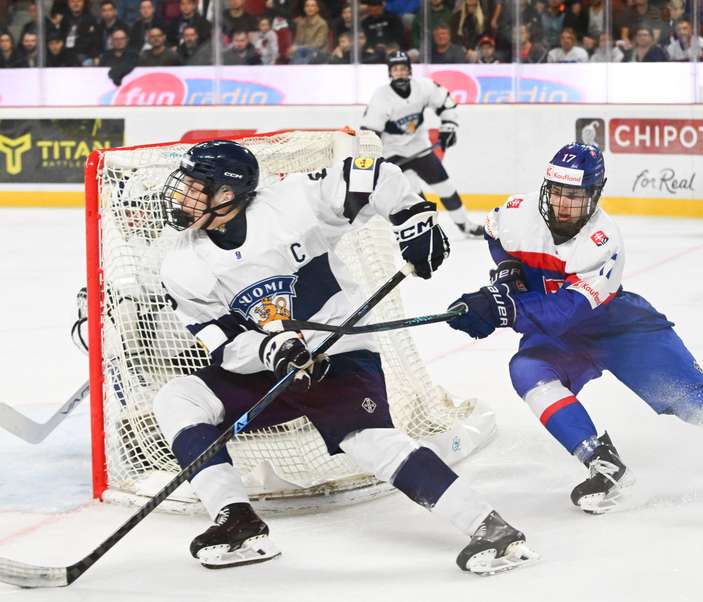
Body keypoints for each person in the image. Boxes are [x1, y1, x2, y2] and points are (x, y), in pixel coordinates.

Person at [152, 139, 536, 574]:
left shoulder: (292, 203)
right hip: (268, 366)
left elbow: (369, 172)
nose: (181, 195)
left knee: (369, 441)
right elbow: (222, 342)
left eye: (194, 186)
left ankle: (489, 528)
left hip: (340, 353)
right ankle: (236, 519)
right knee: (179, 397)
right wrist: (270, 348)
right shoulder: (181, 265)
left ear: (226, 194)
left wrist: (414, 218)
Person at [445, 143, 703, 514]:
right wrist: (507, 270)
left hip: (621, 330)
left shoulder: (604, 241)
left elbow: (567, 311)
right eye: (557, 193)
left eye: (575, 197)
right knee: (526, 370)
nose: (563, 205)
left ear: (595, 195)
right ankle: (604, 466)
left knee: (700, 407)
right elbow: (494, 231)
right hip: (558, 337)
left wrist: (504, 307)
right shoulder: (517, 210)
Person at [362, 51, 484, 236]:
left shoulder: (423, 87)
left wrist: (449, 126)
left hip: (419, 147)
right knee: (413, 195)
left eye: (403, 68)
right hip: (392, 153)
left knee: (446, 186)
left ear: (410, 70)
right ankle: (427, 232)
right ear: (390, 73)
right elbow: (370, 132)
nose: (400, 73)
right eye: (395, 69)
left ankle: (465, 225)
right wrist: (374, 159)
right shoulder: (381, 97)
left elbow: (446, 102)